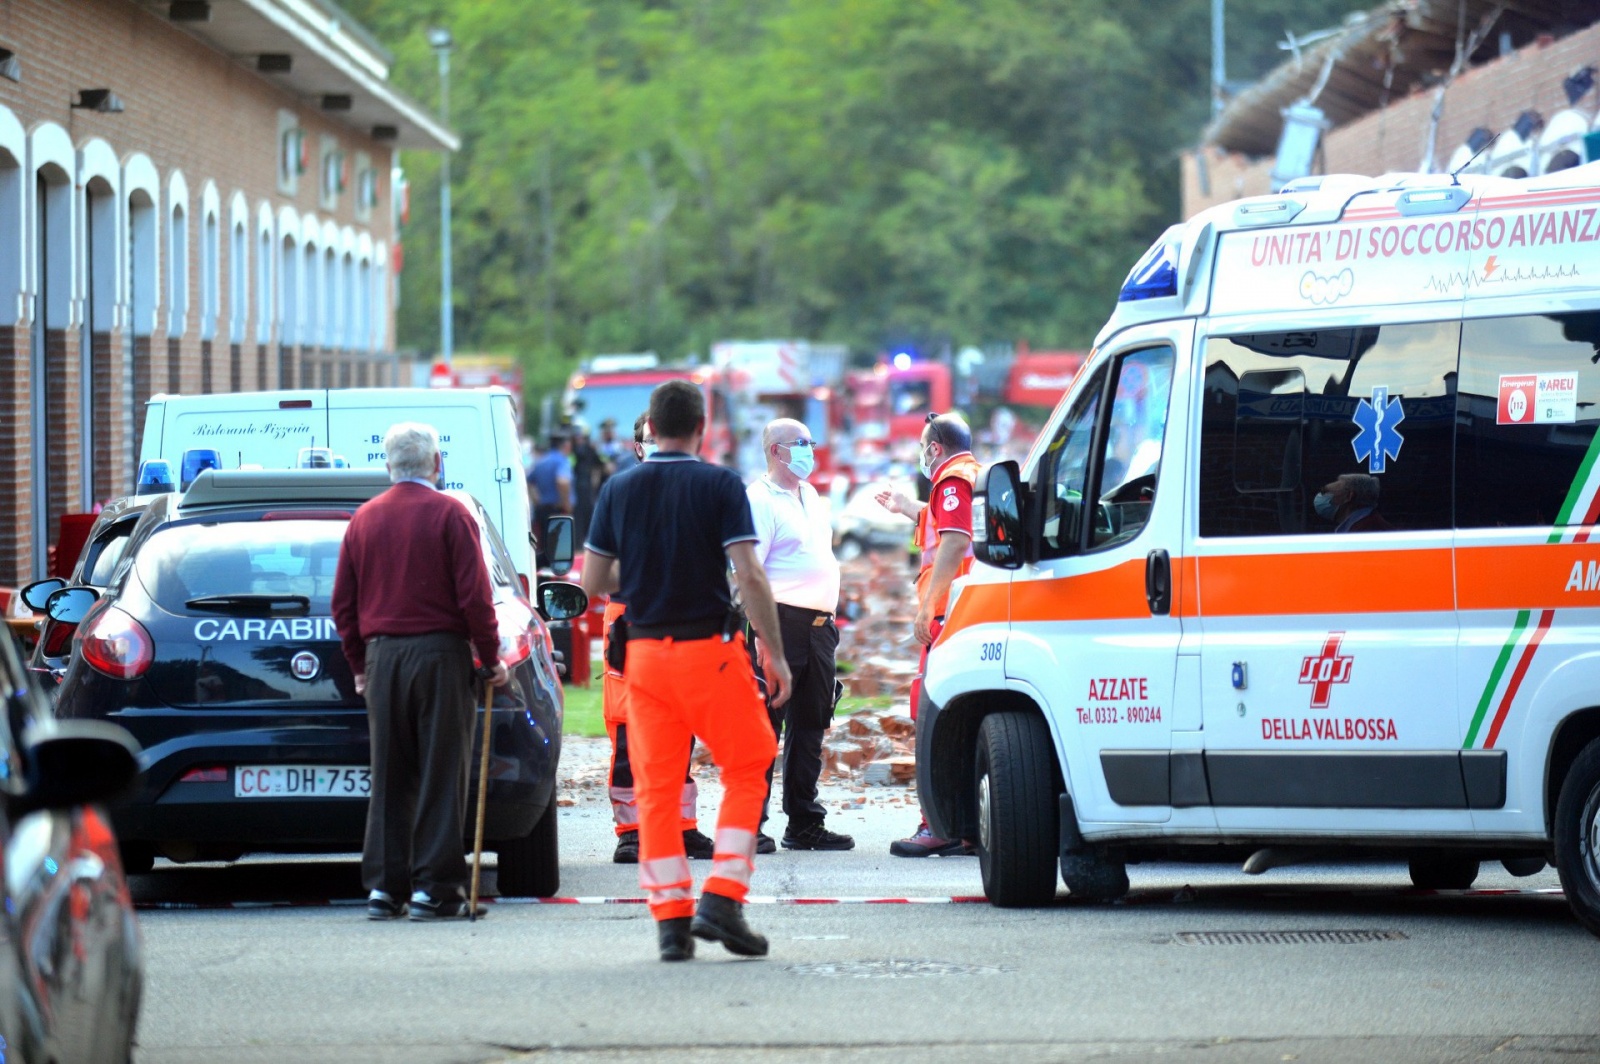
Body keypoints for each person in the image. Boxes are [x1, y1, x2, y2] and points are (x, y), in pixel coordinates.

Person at [582, 380, 791, 962]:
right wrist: (773, 654)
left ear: (648, 427)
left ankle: (671, 922)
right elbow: (749, 575)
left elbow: (594, 584)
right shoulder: (720, 484)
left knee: (656, 787)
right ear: (702, 426)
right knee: (750, 761)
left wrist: (645, 568)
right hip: (710, 653)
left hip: (644, 658)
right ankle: (723, 895)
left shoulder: (617, 489)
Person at [331, 422, 510, 921]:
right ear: (437, 464)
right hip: (440, 655)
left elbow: (342, 603)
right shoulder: (450, 515)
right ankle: (436, 889)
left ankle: (384, 889)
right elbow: (474, 598)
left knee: (389, 774)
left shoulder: (364, 519)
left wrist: (360, 666)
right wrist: (491, 658)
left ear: (388, 466)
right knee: (440, 771)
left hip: (384, 657)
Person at [602, 413, 714, 864]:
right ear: (638, 447)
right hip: (632, 618)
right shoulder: (621, 495)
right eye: (652, 439)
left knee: (681, 730)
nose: (660, 446)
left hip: (684, 621)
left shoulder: (701, 494)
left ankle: (681, 827)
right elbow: (600, 565)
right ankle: (632, 831)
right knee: (630, 733)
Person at [875, 412, 980, 858]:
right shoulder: (972, 475)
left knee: (934, 720)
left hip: (947, 614)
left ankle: (936, 824)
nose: (921, 453)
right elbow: (943, 522)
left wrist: (927, 605)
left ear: (934, 449)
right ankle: (969, 825)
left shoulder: (951, 480)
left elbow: (954, 540)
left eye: (922, 445)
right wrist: (907, 507)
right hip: (969, 611)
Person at [746, 418, 853, 852]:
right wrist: (762, 639)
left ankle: (804, 820)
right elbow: (750, 573)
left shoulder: (810, 495)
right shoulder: (759, 500)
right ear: (776, 451)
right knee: (764, 727)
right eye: (802, 443)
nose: (811, 449)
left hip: (818, 628)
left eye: (812, 440)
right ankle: (748, 822)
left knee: (811, 724)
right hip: (779, 623)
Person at [528, 431, 573, 567]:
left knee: (542, 547)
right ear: (564, 445)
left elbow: (529, 482)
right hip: (557, 510)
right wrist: (566, 503)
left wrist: (536, 500)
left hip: (542, 509)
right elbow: (562, 481)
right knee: (558, 552)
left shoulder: (541, 461)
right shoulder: (562, 460)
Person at [571, 420, 608, 546]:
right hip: (579, 489)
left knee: (585, 519)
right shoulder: (575, 451)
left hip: (586, 489)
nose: (578, 439)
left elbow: (603, 464)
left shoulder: (587, 450)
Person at [1316, 473, 1393, 532]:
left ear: (1349, 496)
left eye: (1325, 492)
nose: (1320, 497)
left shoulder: (1367, 530)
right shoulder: (1367, 524)